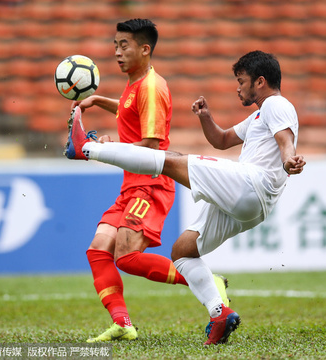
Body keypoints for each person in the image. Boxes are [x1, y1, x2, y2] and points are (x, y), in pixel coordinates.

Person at [65, 50, 306, 345]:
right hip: (253, 205)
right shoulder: (258, 115)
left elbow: (285, 141)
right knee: (182, 252)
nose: (237, 87)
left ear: (260, 82)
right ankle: (219, 313)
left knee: (170, 160)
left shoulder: (276, 105)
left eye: (241, 81)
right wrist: (206, 118)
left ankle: (87, 149)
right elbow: (221, 140)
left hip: (251, 183)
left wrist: (288, 161)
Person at [65, 19, 229, 343]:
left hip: (151, 184)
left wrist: (104, 149)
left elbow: (152, 146)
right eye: (115, 45)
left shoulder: (152, 88)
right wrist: (97, 100)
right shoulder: (135, 84)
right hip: (131, 185)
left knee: (126, 256)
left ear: (145, 49)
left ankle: (211, 282)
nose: (117, 52)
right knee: (98, 249)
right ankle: (123, 323)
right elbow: (127, 111)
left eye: (124, 45)